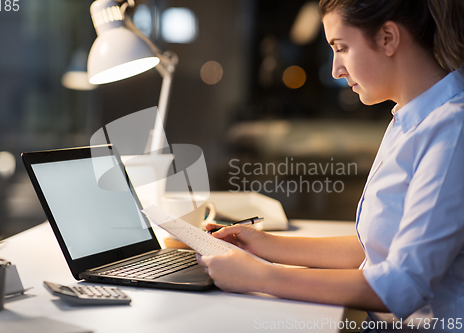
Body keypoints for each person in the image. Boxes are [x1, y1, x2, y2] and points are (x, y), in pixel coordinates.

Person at [196, 0, 464, 331]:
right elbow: (377, 248)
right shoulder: (410, 118)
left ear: (387, 38)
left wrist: (260, 276)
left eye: (342, 48)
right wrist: (265, 246)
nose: (336, 68)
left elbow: (402, 285)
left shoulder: (452, 131)